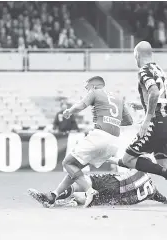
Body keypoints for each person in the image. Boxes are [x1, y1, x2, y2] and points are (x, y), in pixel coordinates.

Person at [40, 76, 134, 207]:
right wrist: (112, 119)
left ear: (94, 86)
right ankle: (54, 196)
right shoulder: (118, 98)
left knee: (67, 163)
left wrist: (69, 111)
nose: (86, 90)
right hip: (114, 141)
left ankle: (89, 191)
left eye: (87, 87)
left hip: (100, 135)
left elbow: (80, 105)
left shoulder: (95, 92)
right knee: (75, 169)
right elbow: (129, 121)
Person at [114, 41, 167, 179]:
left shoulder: (144, 71)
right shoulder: (159, 70)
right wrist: (142, 105)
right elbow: (162, 97)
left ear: (137, 55)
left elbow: (154, 93)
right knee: (163, 162)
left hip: (155, 123)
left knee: (127, 159)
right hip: (165, 121)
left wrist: (147, 119)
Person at [28, 159, 167, 207]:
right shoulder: (153, 191)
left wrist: (101, 158)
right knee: (90, 197)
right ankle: (71, 201)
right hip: (117, 199)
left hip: (114, 183)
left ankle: (52, 196)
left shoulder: (139, 166)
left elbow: (120, 160)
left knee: (79, 180)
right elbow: (163, 200)